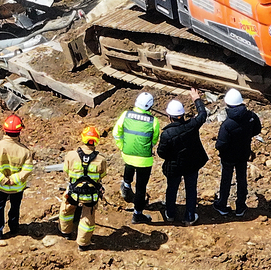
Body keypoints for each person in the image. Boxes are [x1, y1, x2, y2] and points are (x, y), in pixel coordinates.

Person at [156, 87, 207, 225]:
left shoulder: (167, 134)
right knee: (191, 189)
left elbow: (161, 153)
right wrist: (197, 99)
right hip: (191, 164)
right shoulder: (192, 125)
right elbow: (202, 114)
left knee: (171, 189)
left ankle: (170, 214)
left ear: (169, 117)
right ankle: (189, 216)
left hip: (174, 167)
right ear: (183, 115)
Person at [213, 88, 261, 217]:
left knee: (226, 180)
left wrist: (223, 150)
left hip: (228, 157)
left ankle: (222, 204)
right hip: (243, 154)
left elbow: (221, 144)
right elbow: (257, 130)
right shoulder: (251, 116)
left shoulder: (227, 124)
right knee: (241, 179)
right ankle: (240, 206)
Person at [112, 92, 159, 223]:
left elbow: (116, 132)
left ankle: (126, 186)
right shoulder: (153, 121)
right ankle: (137, 214)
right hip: (144, 160)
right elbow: (154, 140)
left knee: (129, 164)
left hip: (127, 154)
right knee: (141, 188)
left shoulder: (125, 115)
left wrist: (122, 146)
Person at [0, 114, 33, 239]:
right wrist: (13, 181)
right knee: (15, 207)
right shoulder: (25, 151)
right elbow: (26, 170)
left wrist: (4, 180)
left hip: (1, 186)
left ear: (4, 129)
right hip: (17, 187)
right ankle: (14, 228)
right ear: (19, 131)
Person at [60, 125, 107, 251]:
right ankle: (83, 243)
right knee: (88, 216)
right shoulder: (101, 159)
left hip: (74, 192)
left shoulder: (71, 155)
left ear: (83, 138)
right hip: (90, 195)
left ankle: (66, 232)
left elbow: (67, 171)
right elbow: (102, 175)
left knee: (67, 209)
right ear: (96, 140)